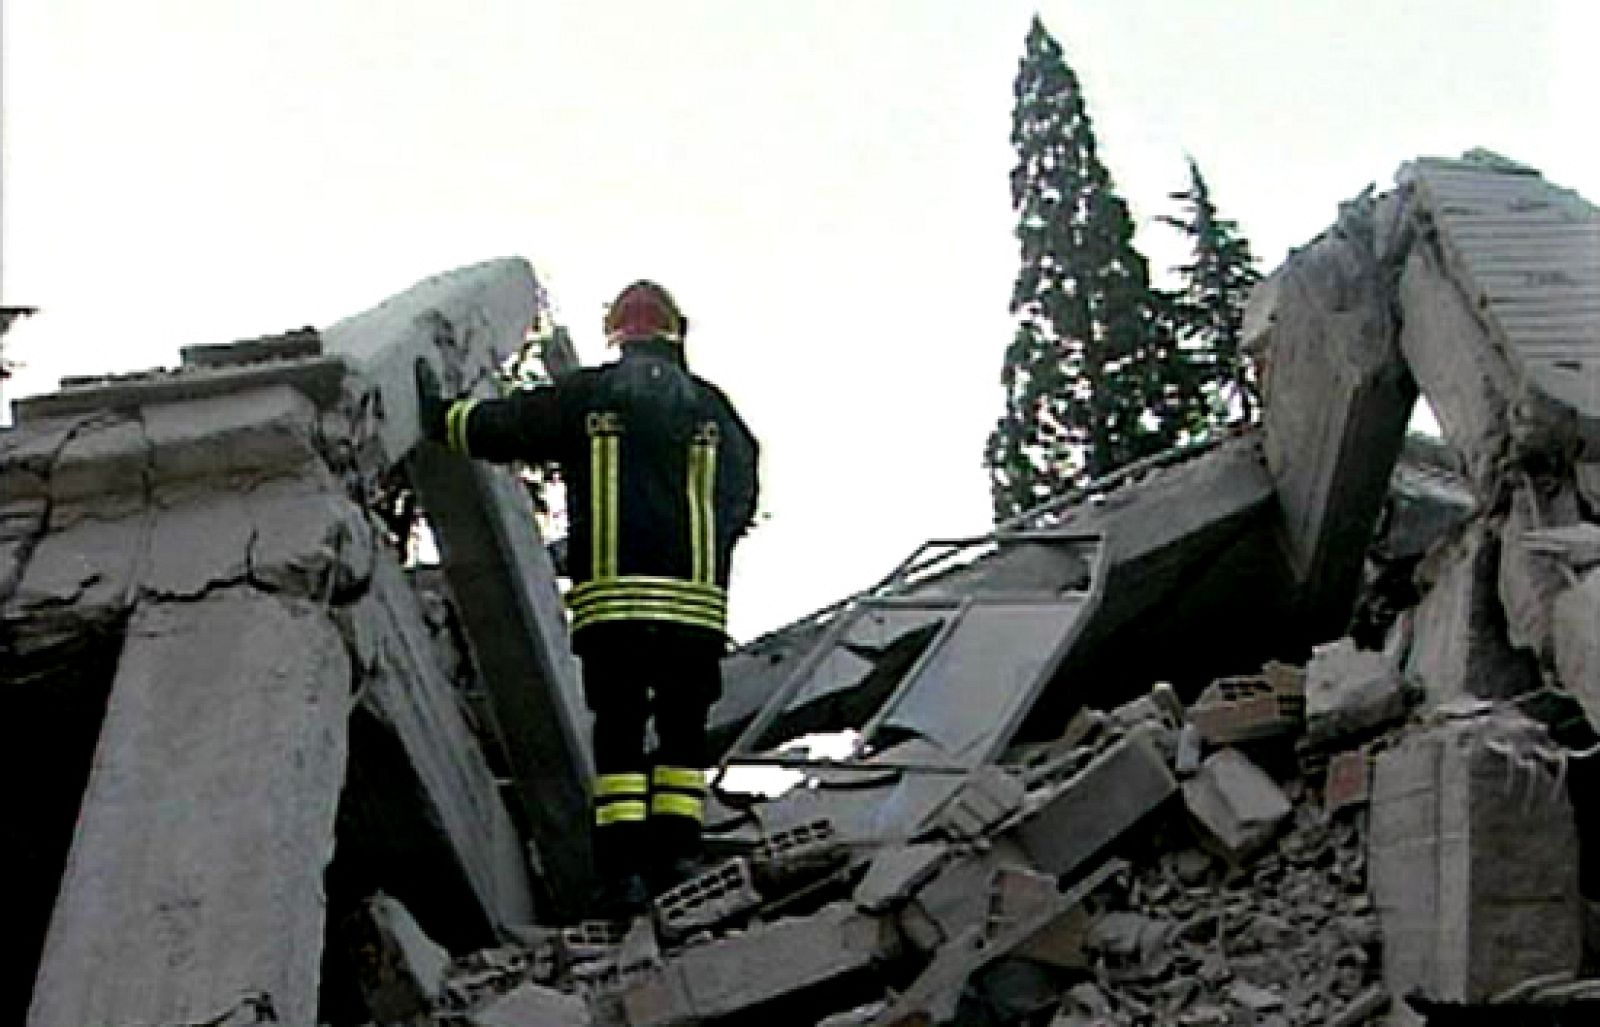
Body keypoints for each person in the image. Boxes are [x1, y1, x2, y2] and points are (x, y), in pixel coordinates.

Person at [415, 280, 759, 919]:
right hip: (694, 613)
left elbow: (508, 426)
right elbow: (742, 495)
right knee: (683, 735)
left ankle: (624, 874)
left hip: (614, 610)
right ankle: (679, 854)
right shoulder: (715, 413)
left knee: (621, 739)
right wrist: (708, 556)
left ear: (616, 334)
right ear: (676, 332)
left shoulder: (591, 397)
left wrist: (441, 417)